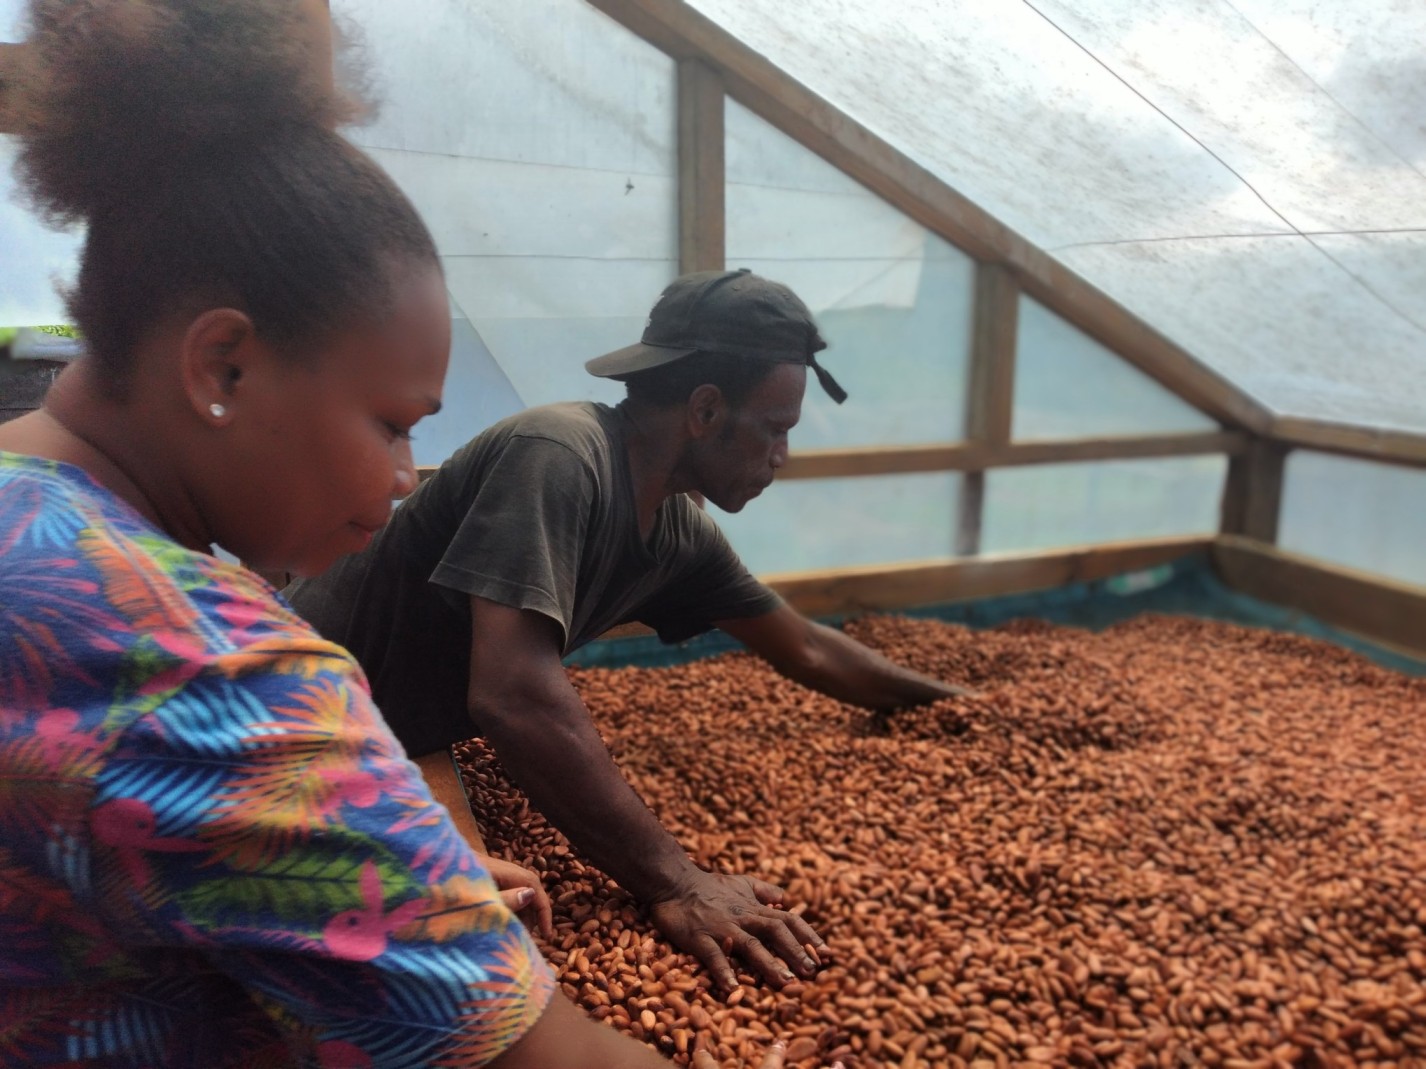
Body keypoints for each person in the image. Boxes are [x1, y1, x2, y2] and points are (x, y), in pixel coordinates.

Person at [0, 2, 826, 1066]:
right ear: (221, 368)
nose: (402, 478)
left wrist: (373, 875)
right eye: (393, 425)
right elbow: (541, 1055)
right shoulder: (222, 678)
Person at [286, 267, 974, 993]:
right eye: (774, 430)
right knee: (467, 966)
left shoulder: (677, 531)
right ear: (705, 410)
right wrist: (676, 879)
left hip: (407, 729)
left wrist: (952, 700)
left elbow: (803, 643)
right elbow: (513, 694)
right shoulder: (556, 455)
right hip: (306, 718)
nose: (783, 456)